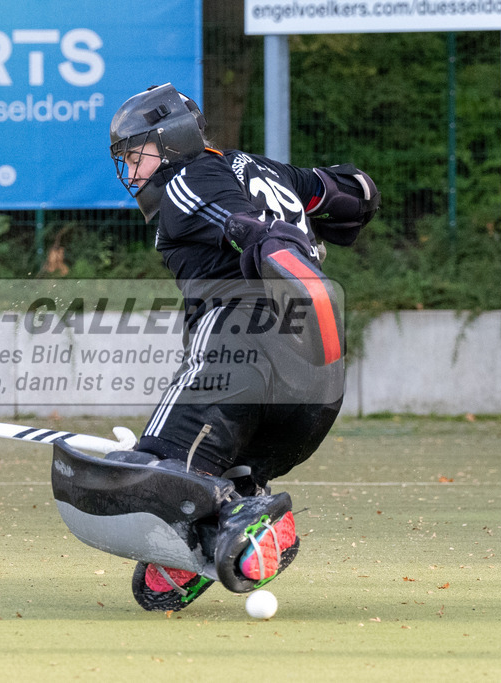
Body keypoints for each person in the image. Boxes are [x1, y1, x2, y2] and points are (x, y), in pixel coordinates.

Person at [101, 83, 379, 611]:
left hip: (243, 344)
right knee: (228, 472)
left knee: (160, 467)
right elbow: (354, 191)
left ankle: (235, 508)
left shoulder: (184, 179)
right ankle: (249, 510)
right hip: (319, 382)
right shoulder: (268, 171)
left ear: (172, 140)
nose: (134, 172)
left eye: (138, 155)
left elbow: (243, 226)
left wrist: (270, 243)